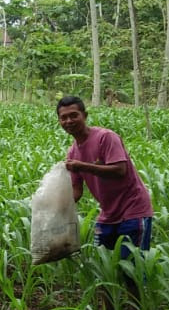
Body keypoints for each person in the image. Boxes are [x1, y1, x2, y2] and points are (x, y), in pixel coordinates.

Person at [57, 95, 154, 258]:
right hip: (108, 215)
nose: (69, 121)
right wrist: (54, 208)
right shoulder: (73, 151)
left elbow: (119, 169)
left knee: (132, 269)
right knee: (102, 264)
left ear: (85, 116)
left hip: (133, 210)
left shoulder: (105, 137)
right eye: (64, 117)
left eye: (74, 115)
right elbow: (76, 190)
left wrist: (82, 166)